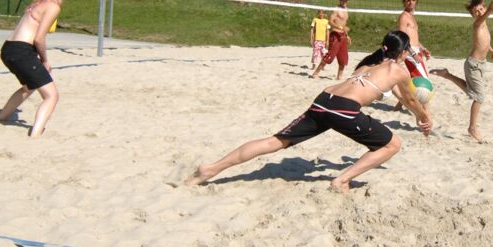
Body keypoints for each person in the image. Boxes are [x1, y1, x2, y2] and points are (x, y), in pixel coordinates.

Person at [185, 31, 432, 193]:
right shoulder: (398, 71)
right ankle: (342, 181)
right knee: (392, 145)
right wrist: (424, 117)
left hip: (324, 100)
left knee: (274, 141)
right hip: (343, 110)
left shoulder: (368, 64)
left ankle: (211, 169)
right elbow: (410, 98)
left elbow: (393, 92)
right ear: (402, 52)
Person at [0, 0, 73, 137]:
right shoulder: (53, 6)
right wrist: (45, 60)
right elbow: (39, 38)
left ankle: (2, 118)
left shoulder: (40, 2)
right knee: (52, 96)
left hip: (8, 49)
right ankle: (35, 135)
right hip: (21, 51)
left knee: (29, 86)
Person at [431, 0, 493, 141]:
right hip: (473, 65)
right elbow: (492, 9)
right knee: (479, 97)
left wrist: (490, 48)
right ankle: (472, 128)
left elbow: (482, 41)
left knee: (472, 91)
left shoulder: (483, 23)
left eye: (481, 9)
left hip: (480, 64)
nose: (480, 12)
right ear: (472, 15)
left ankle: (447, 75)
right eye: (476, 11)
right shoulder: (478, 23)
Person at [393, 0, 432, 112]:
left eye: (413, 0)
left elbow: (414, 39)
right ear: (404, 2)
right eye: (408, 0)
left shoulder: (411, 17)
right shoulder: (404, 17)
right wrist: (413, 53)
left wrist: (423, 49)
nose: (411, 2)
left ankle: (399, 106)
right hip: (409, 51)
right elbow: (403, 39)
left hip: (414, 50)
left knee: (415, 80)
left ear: (416, 1)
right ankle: (425, 113)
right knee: (424, 82)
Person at [311, 0, 351, 80]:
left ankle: (339, 76)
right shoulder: (336, 9)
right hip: (335, 35)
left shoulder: (346, 9)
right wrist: (339, 27)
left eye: (346, 0)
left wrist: (347, 35)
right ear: (340, 0)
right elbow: (330, 21)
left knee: (343, 58)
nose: (345, 2)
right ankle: (316, 73)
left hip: (343, 35)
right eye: (343, 0)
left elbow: (344, 24)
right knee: (330, 56)